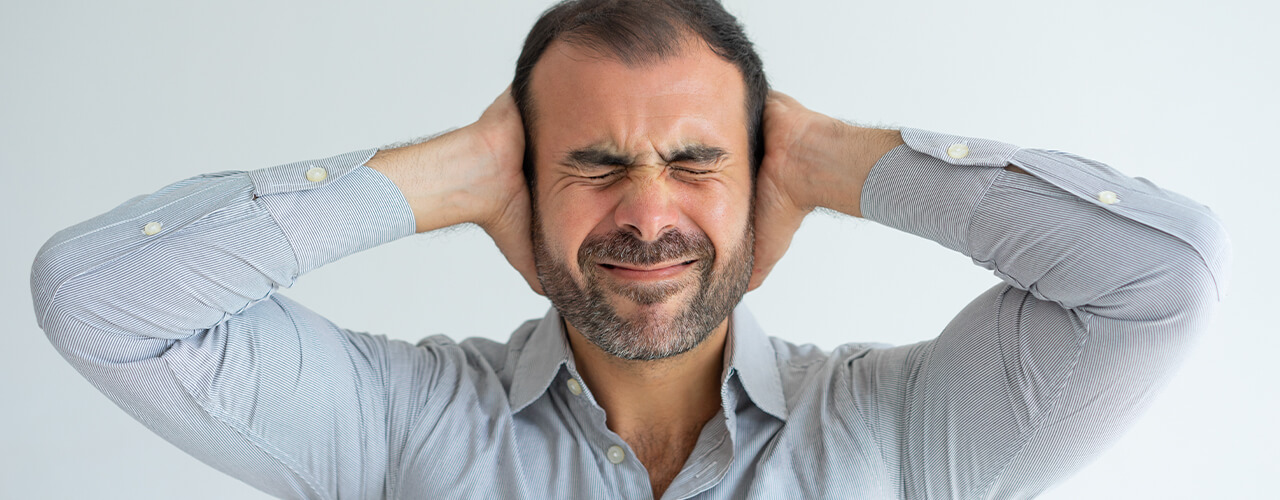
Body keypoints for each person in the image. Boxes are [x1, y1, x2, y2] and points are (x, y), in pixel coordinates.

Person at [30, 0, 1229, 498]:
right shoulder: (396, 424)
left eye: (697, 162)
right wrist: (441, 172)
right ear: (519, 188)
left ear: (763, 185)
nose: (646, 211)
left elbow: (1158, 281)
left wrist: (824, 153)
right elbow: (98, 297)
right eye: (593, 163)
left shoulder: (907, 429)